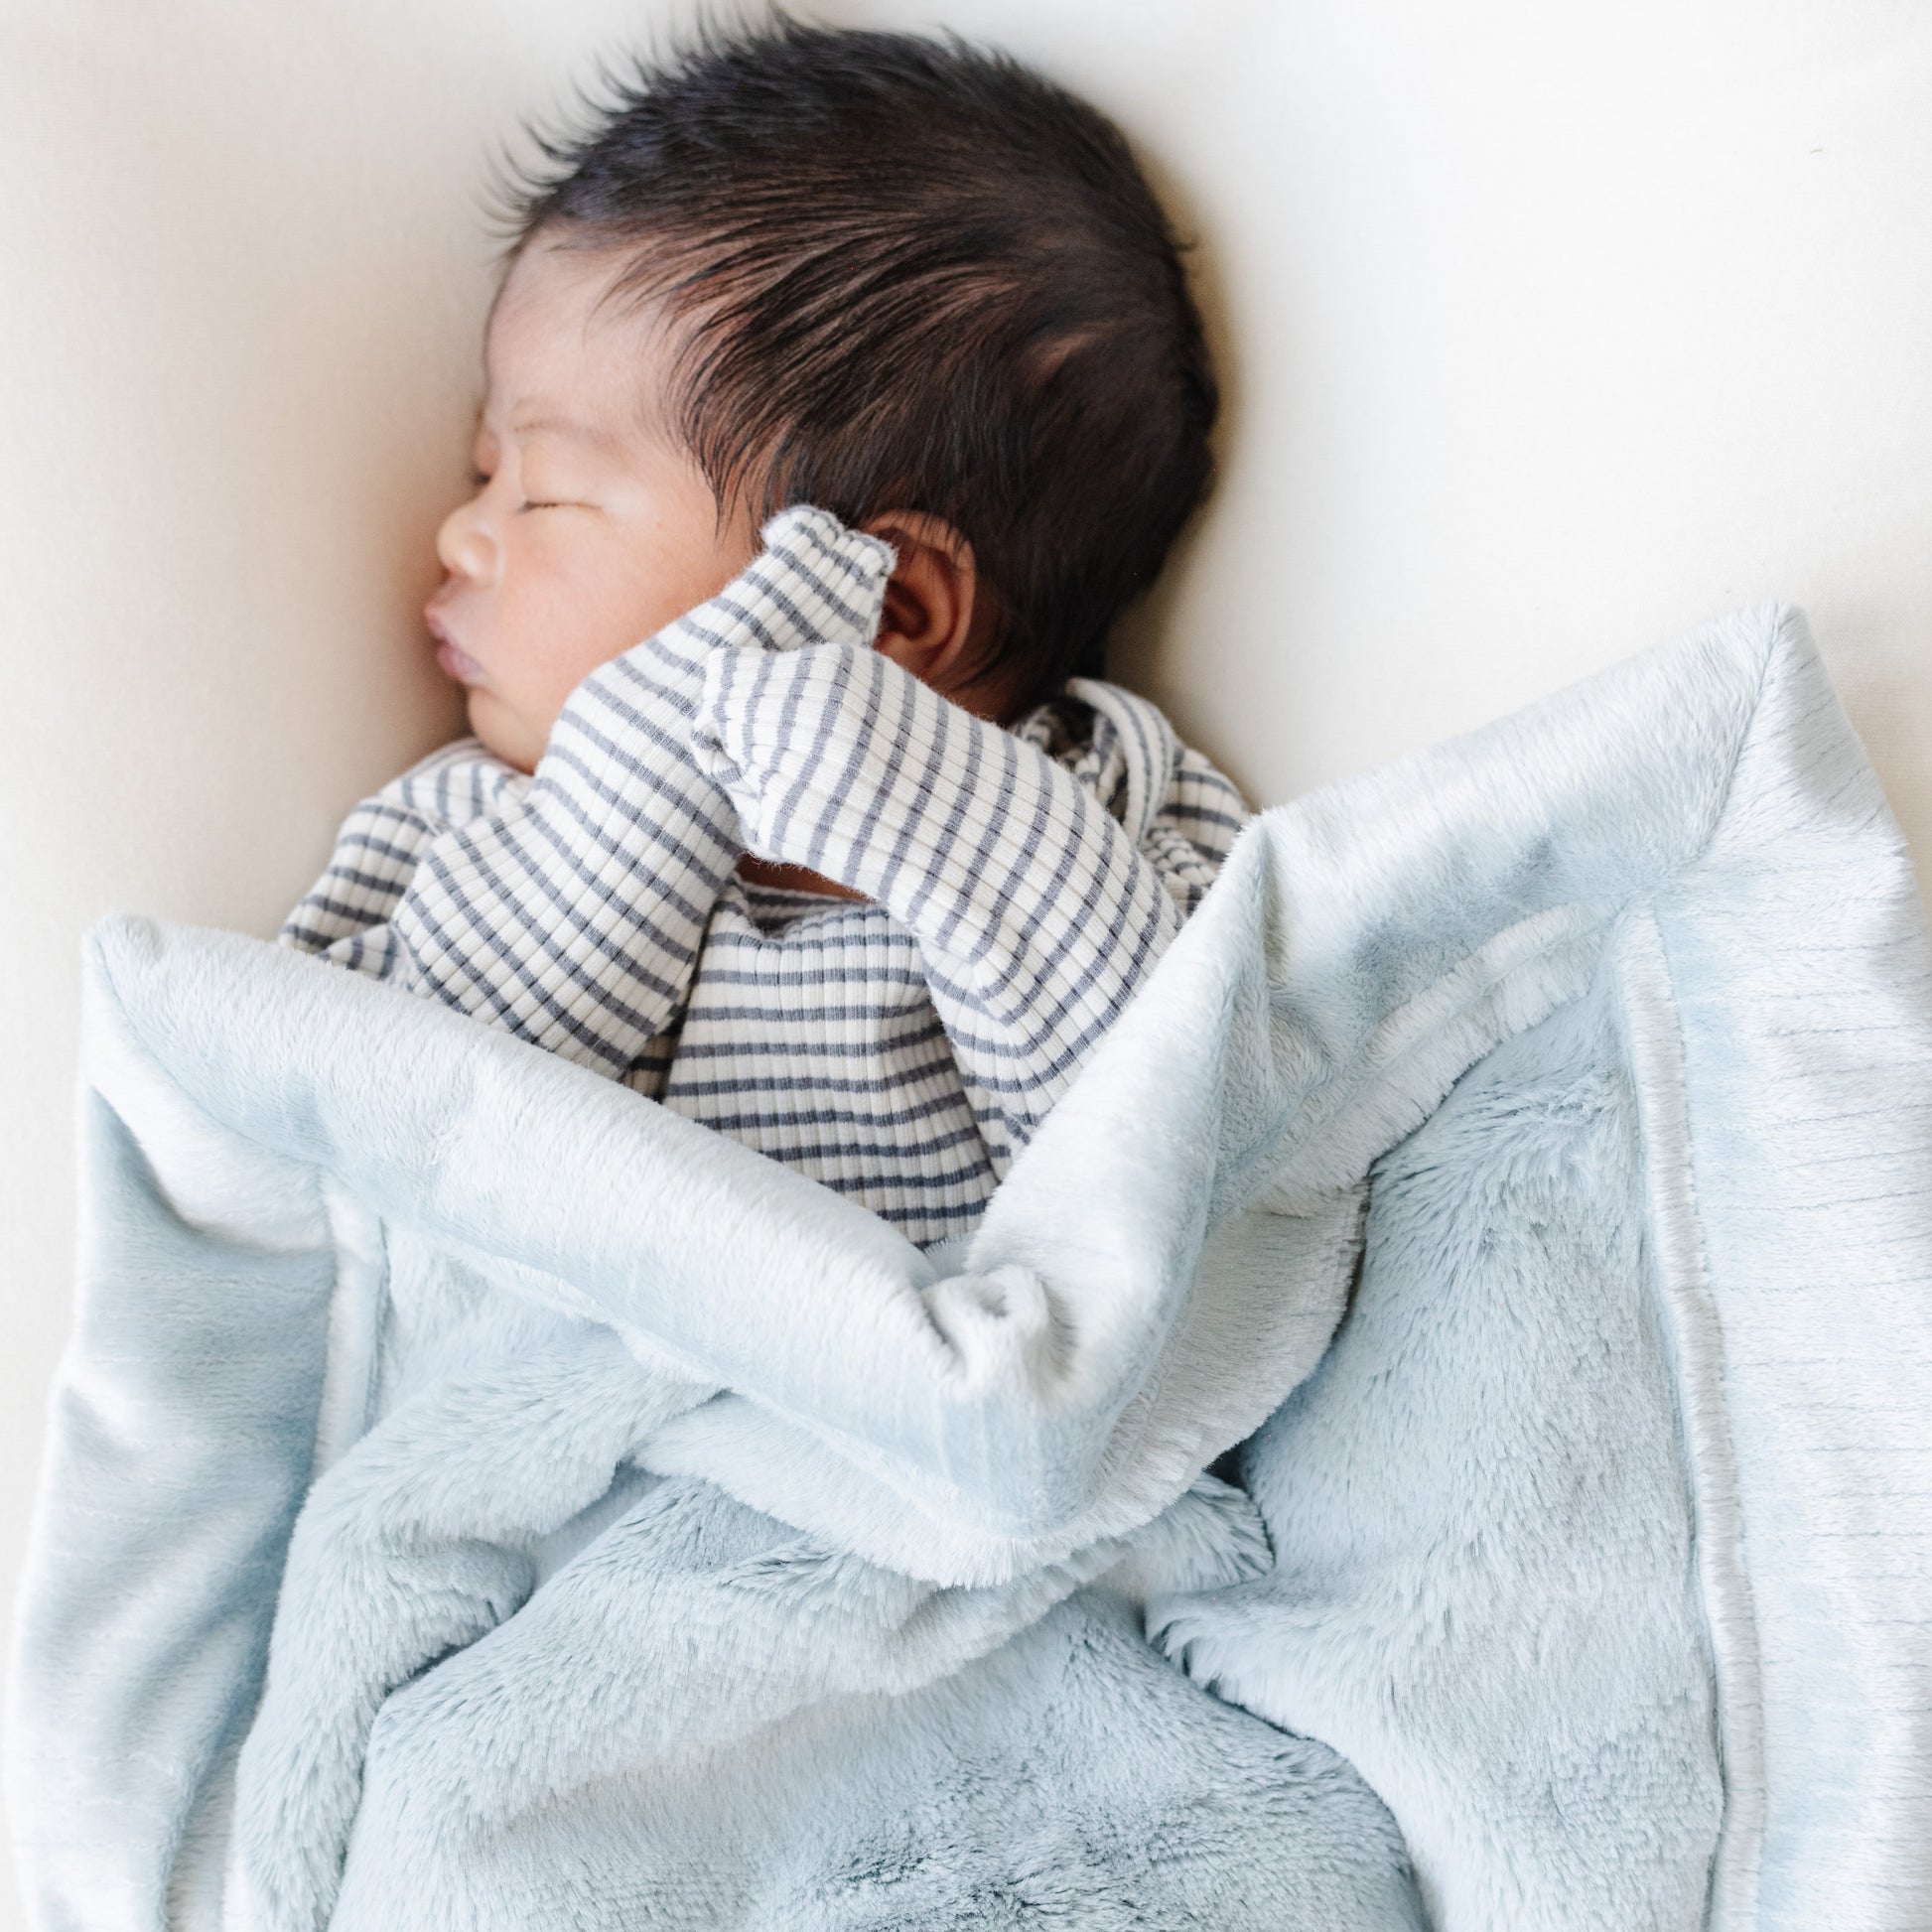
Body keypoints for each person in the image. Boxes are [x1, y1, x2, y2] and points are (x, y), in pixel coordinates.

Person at [281, 19, 1249, 1250]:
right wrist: (628, 806)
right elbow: (323, 1132)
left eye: (541, 493)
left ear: (883, 606)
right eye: (484, 470)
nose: (462, 537)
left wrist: (915, 787)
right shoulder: (476, 828)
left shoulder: (1114, 807)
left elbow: (1183, 1162)